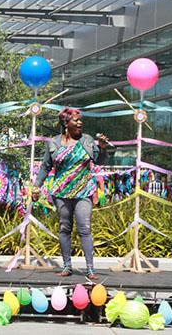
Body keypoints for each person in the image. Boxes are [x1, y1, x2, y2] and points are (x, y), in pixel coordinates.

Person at [32, 108, 109, 280]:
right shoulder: (53, 143)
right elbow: (46, 166)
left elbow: (100, 161)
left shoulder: (87, 140)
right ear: (66, 124)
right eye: (76, 120)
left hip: (84, 191)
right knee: (64, 227)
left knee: (85, 228)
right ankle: (67, 266)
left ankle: (90, 269)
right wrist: (37, 186)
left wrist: (103, 148)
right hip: (61, 192)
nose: (80, 123)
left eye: (81, 120)